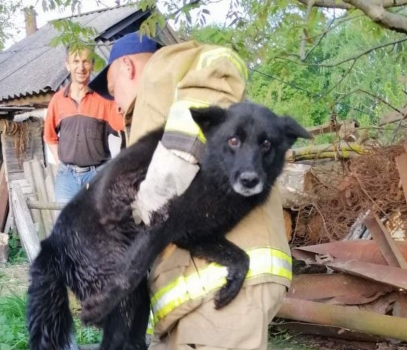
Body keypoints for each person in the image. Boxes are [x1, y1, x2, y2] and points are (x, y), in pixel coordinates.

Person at [89, 32, 292, 350]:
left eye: (113, 92)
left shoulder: (164, 65)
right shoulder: (152, 113)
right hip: (205, 285)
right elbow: (187, 224)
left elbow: (219, 64)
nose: (114, 105)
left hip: (216, 294)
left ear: (126, 67)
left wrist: (152, 196)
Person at [44, 46, 124, 203]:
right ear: (68, 65)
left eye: (86, 61)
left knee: (96, 225)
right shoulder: (58, 100)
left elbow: (125, 131)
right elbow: (49, 136)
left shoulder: (105, 100)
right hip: (67, 178)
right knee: (64, 225)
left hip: (97, 175)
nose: (81, 67)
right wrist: (60, 161)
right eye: (76, 61)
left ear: (92, 65)